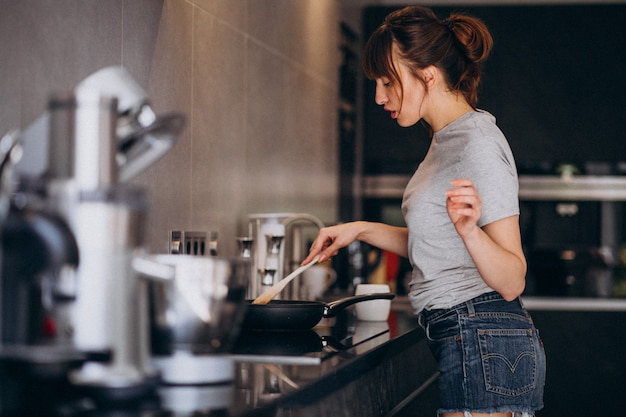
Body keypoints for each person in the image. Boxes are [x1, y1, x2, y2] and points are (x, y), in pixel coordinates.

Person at [301, 6, 545, 417]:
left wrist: (470, 231)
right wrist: (359, 229)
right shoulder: (444, 141)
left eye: (386, 82)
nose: (379, 96)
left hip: (483, 333)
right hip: (468, 334)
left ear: (428, 75)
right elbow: (435, 243)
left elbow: (512, 279)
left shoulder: (478, 144)